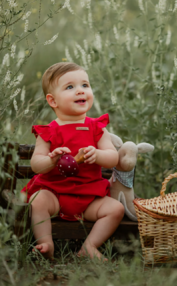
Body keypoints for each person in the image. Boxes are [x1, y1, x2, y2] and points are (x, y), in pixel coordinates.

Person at [22, 62, 124, 260]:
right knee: (38, 200)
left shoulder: (97, 128)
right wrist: (52, 160)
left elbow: (113, 158)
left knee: (115, 209)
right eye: (70, 87)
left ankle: (89, 247)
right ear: (52, 101)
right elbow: (36, 165)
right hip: (55, 194)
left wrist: (98, 155)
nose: (80, 91)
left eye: (85, 85)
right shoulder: (48, 132)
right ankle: (46, 242)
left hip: (88, 197)